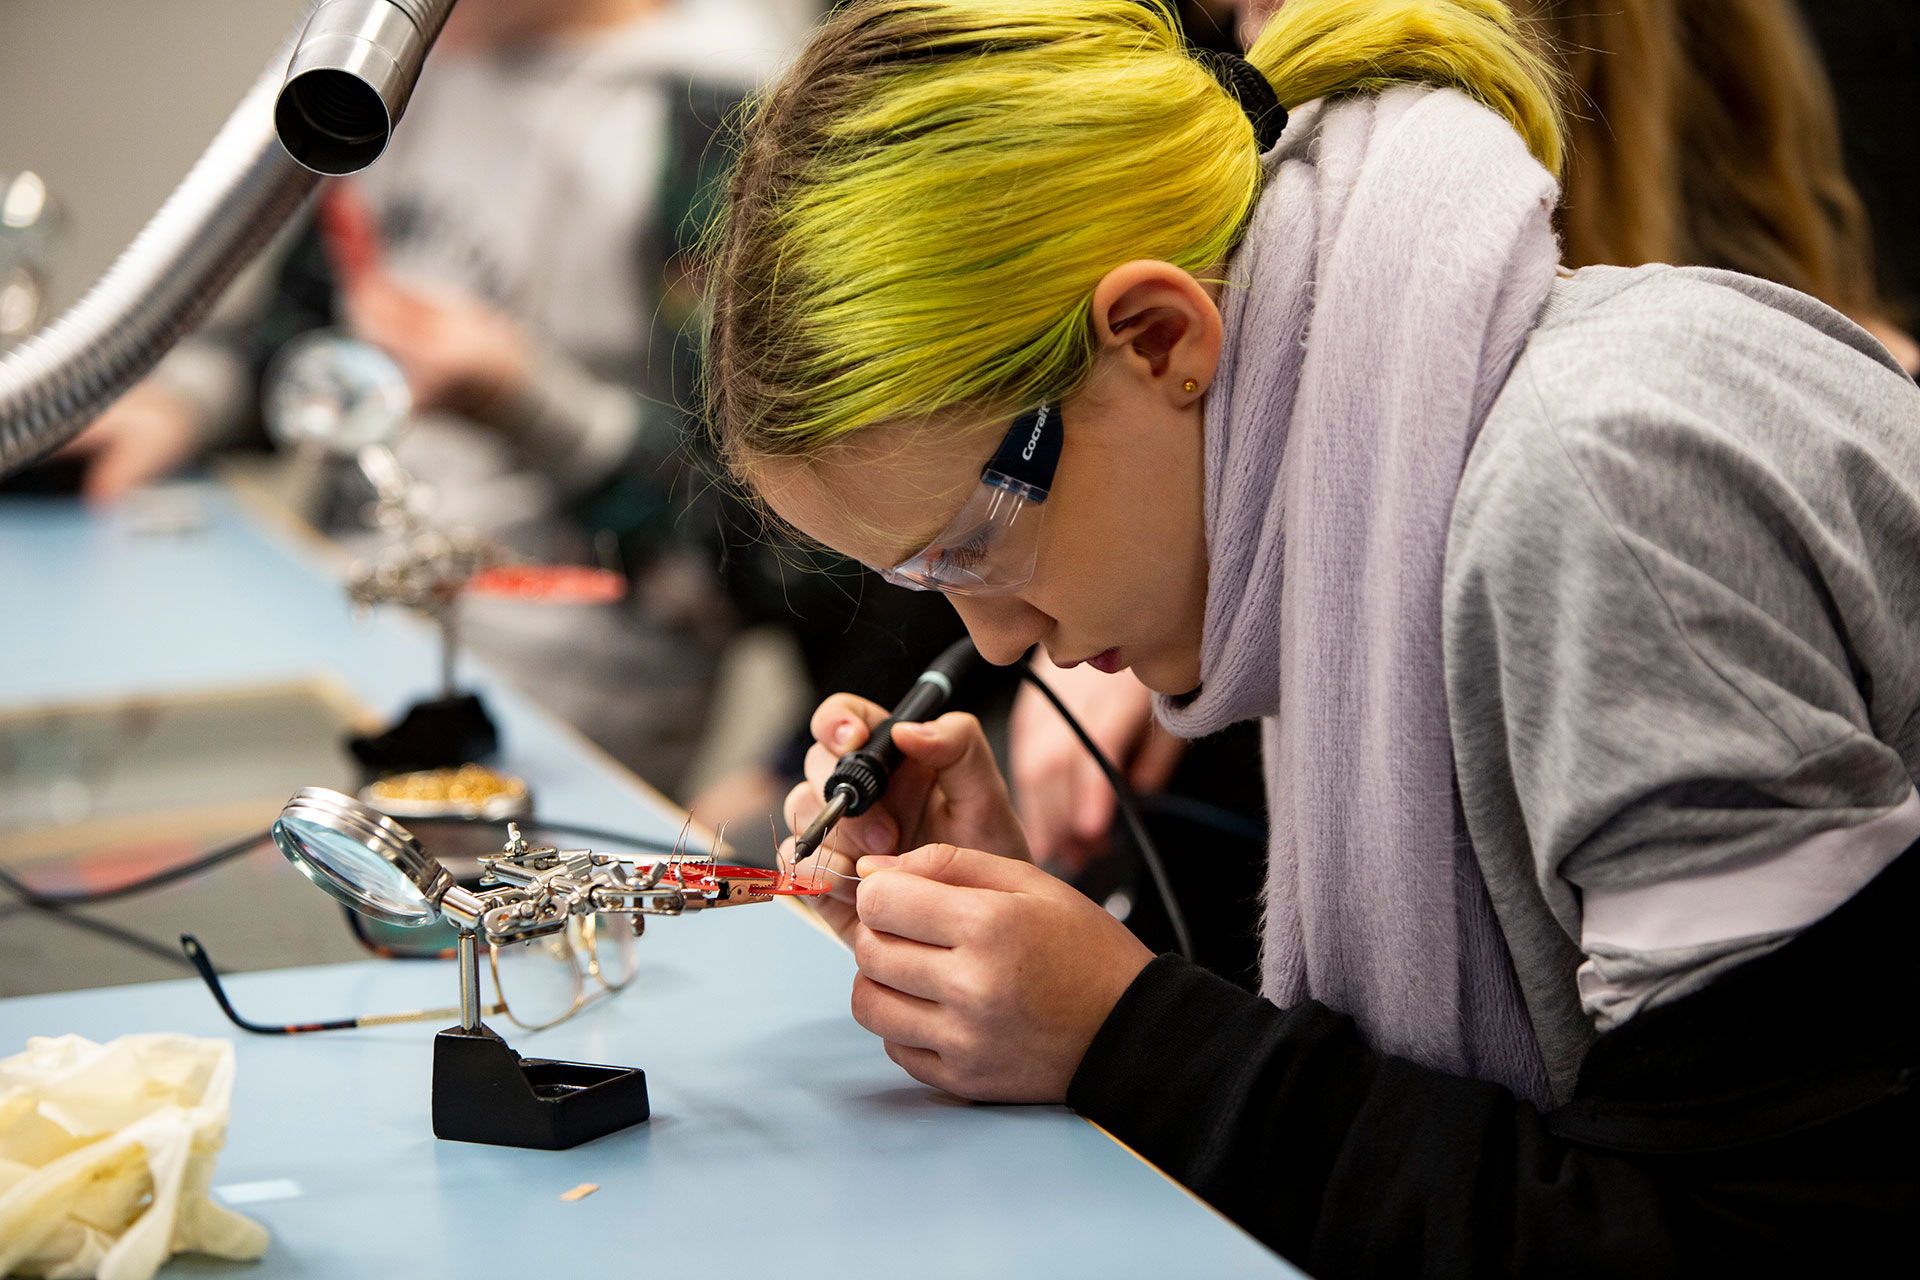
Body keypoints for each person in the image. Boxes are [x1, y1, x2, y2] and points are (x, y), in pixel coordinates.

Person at [704, 0, 1920, 1273]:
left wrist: (1131, 1035)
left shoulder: (1597, 507)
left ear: (1160, 337)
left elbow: (1753, 1235)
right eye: (918, 578)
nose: (995, 645)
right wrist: (1037, 969)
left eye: (974, 546)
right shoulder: (1353, 460)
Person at [57, 0, 799, 793]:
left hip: (566, 684)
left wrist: (522, 398)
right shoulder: (400, 71)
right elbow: (303, 320)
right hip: (347, 613)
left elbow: (758, 527)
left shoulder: (717, 123)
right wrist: (185, 404)